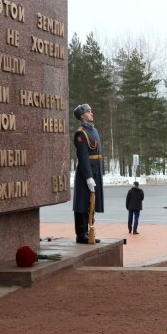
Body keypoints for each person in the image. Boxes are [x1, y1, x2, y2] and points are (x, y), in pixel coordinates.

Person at [72, 103, 104, 244]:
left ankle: (89, 230)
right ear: (82, 116)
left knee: (91, 203)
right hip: (85, 173)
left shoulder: (94, 131)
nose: (91, 113)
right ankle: (81, 234)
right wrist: (89, 177)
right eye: (88, 111)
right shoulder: (81, 133)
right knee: (82, 203)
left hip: (96, 170)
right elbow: (83, 157)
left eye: (91, 111)